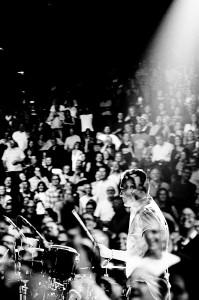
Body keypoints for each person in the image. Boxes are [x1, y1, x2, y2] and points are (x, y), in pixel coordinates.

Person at [98, 168, 170, 293]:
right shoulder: (145, 209)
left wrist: (132, 281)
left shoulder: (145, 214)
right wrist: (109, 253)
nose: (120, 194)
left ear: (132, 188)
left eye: (122, 189)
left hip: (149, 289)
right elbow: (138, 254)